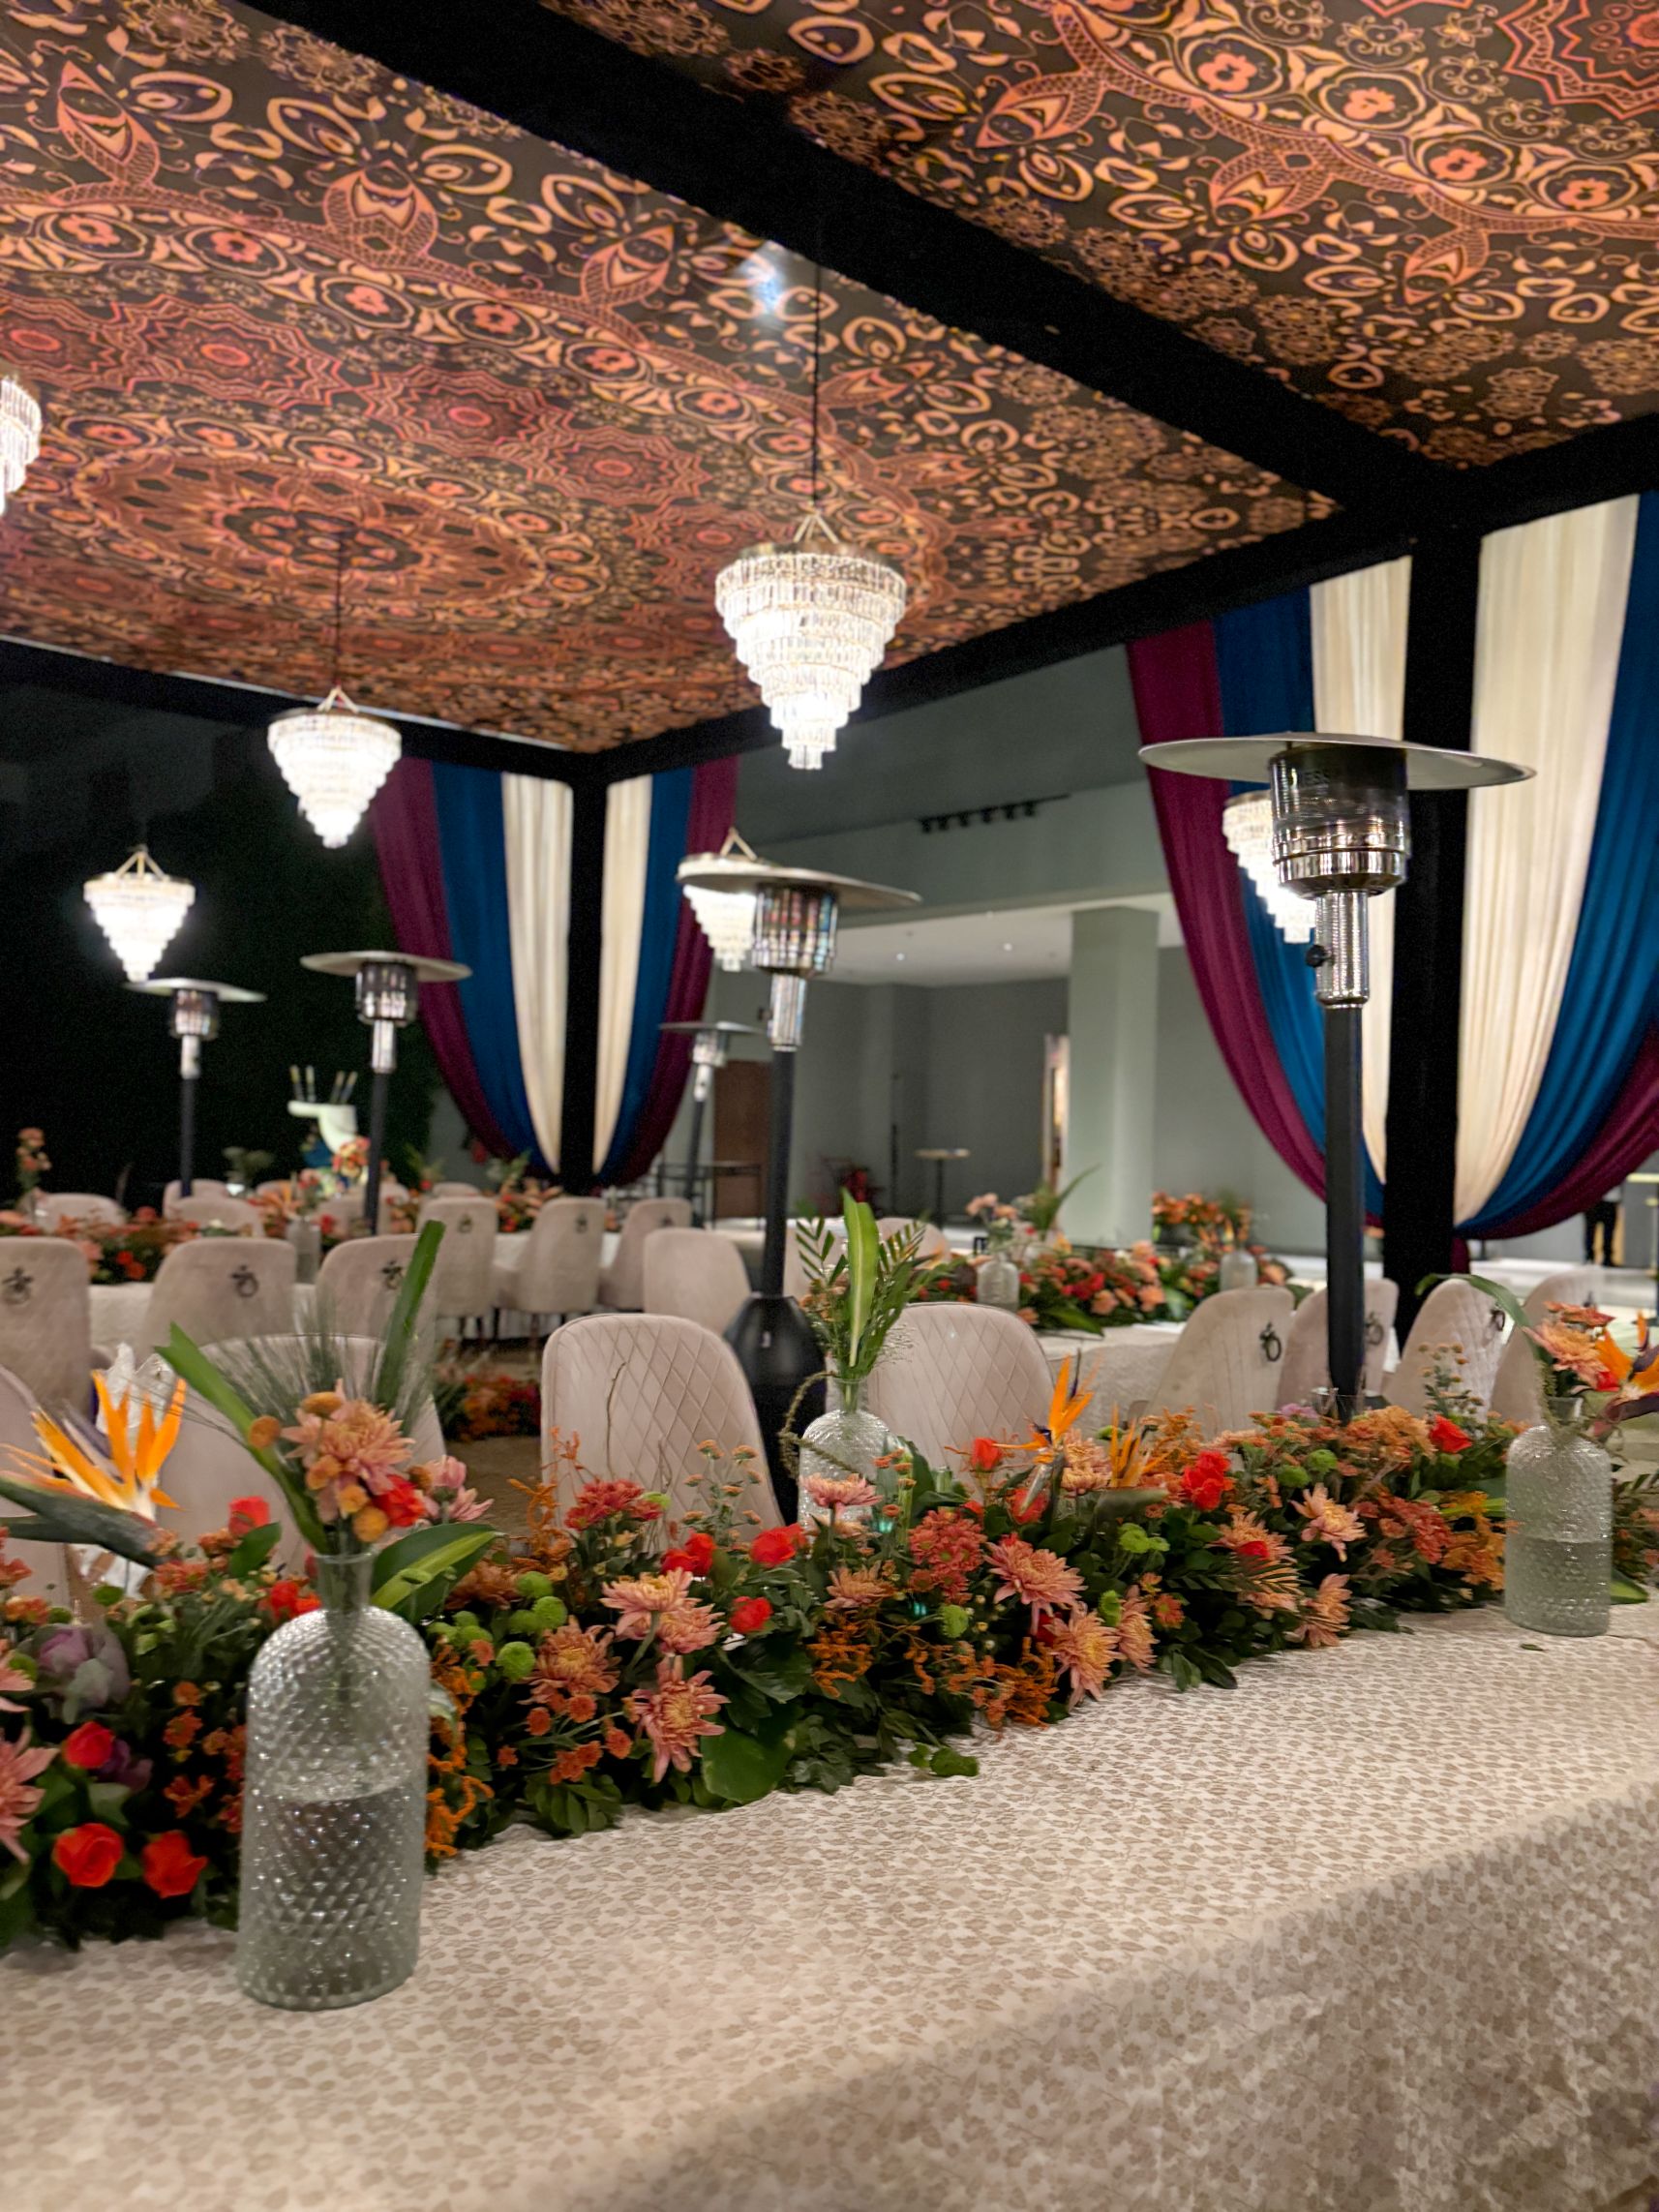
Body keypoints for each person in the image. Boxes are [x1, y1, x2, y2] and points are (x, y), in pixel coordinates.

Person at [1584, 1190, 1619, 1265]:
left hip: (1602, 1200)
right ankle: (1591, 1256)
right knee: (1592, 1230)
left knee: (1606, 1231)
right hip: (1595, 1199)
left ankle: (1604, 1257)